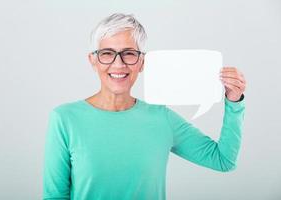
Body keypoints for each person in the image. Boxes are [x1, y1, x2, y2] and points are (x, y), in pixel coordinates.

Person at [42, 13, 246, 200]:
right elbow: (55, 197)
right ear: (93, 60)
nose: (118, 64)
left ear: (142, 62)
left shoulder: (162, 118)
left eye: (129, 53)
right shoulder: (65, 119)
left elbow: (223, 160)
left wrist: (234, 101)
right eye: (107, 53)